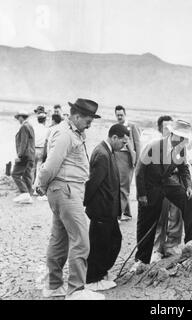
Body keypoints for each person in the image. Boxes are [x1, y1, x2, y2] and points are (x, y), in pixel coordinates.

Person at [36, 98, 104, 300]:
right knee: (81, 240)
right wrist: (41, 185)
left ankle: (54, 286)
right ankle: (76, 290)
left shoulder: (74, 131)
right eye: (88, 119)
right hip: (66, 190)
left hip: (66, 190)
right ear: (76, 116)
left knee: (59, 239)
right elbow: (50, 165)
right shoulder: (65, 134)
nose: (90, 123)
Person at [133, 120, 192, 270]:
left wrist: (188, 187)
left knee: (189, 200)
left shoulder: (180, 149)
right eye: (180, 137)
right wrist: (142, 194)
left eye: (184, 138)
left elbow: (184, 169)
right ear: (172, 134)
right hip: (150, 186)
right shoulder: (154, 145)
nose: (182, 141)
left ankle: (191, 244)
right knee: (147, 221)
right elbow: (139, 171)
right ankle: (141, 260)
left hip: (166, 183)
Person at [84, 124, 130, 291]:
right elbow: (93, 183)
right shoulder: (103, 153)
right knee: (99, 245)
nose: (124, 146)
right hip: (101, 209)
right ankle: (93, 280)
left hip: (107, 209)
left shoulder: (107, 150)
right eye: (123, 142)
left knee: (113, 241)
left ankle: (101, 273)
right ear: (114, 137)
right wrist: (89, 205)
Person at [151, 116, 186, 262]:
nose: (168, 131)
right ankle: (157, 248)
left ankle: (172, 245)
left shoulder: (180, 146)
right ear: (160, 129)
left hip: (176, 181)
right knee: (161, 215)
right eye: (165, 128)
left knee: (176, 215)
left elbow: (184, 166)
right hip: (161, 183)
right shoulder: (156, 146)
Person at [114, 105, 141, 221]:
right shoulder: (115, 127)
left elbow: (138, 143)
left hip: (127, 159)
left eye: (121, 115)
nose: (120, 117)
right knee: (118, 185)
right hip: (116, 158)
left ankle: (118, 215)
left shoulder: (132, 126)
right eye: (118, 115)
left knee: (124, 187)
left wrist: (137, 161)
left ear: (125, 115)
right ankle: (127, 212)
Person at [12, 111, 35, 204]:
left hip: (25, 155)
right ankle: (29, 195)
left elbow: (23, 142)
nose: (18, 119)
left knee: (15, 174)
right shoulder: (29, 125)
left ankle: (24, 193)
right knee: (27, 175)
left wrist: (19, 155)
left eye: (18, 117)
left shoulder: (24, 127)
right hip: (31, 154)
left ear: (22, 117)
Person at [32, 111, 49, 191]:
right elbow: (47, 142)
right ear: (44, 120)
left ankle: (30, 186)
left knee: (32, 169)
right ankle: (36, 187)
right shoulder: (46, 129)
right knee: (39, 169)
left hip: (33, 149)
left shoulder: (33, 128)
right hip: (41, 149)